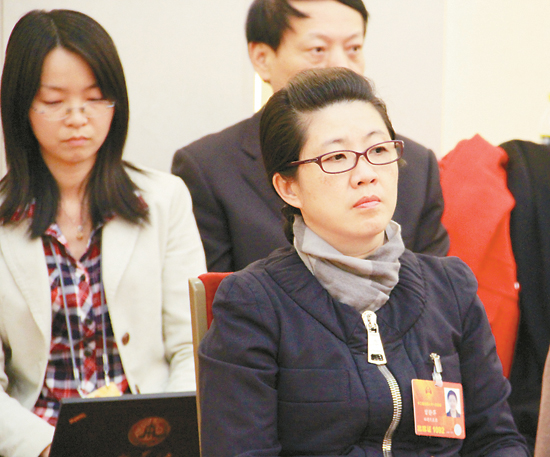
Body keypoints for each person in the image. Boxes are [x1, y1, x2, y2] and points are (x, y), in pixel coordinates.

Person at [199, 68, 527, 456]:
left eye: (379, 150)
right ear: (288, 187)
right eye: (337, 157)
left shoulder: (451, 288)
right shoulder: (254, 304)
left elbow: (497, 439)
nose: (366, 174)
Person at [0, 9, 206, 457]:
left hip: (152, 439)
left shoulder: (165, 199)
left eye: (95, 98)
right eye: (54, 101)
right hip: (40, 442)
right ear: (20, 105)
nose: (77, 117)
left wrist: (170, 434)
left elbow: (191, 347)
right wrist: (48, 447)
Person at [171, 0, 449, 272]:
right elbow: (215, 295)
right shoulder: (207, 168)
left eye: (353, 48)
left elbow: (433, 288)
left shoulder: (417, 165)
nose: (341, 65)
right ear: (262, 58)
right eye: (318, 49)